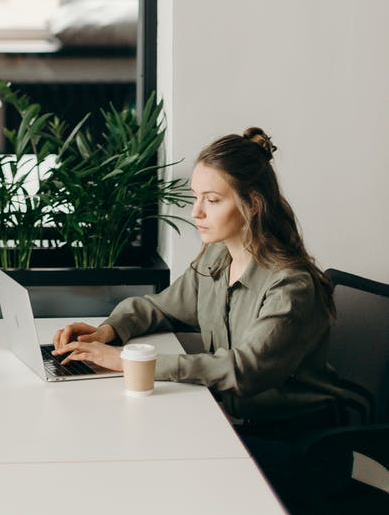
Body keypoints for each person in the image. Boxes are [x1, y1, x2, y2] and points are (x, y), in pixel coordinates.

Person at [52, 128, 363, 505]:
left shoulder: (290, 287)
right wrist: (108, 331)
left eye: (212, 200)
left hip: (300, 446)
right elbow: (160, 307)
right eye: (196, 198)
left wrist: (130, 362)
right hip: (240, 426)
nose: (196, 212)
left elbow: (243, 371)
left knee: (162, 464)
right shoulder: (218, 259)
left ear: (252, 204)